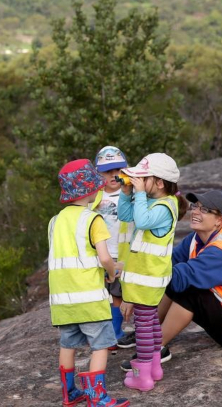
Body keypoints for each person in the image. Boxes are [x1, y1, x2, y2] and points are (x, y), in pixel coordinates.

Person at [120, 190, 222, 372]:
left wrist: (135, 273)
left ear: (219, 220)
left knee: (189, 290)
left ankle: (154, 349)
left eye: (205, 209)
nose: (196, 212)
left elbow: (178, 278)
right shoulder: (196, 239)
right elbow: (167, 263)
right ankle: (146, 334)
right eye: (195, 207)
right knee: (170, 278)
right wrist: (136, 270)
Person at [50, 159, 129, 407]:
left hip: (62, 300)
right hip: (89, 298)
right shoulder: (93, 220)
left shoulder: (55, 221)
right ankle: (97, 397)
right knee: (101, 345)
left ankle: (69, 393)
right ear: (93, 190)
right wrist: (112, 273)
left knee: (68, 344)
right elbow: (105, 257)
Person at [116, 153, 187, 392]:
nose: (137, 182)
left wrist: (137, 195)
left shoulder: (166, 207)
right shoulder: (153, 202)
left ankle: (142, 375)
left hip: (149, 278)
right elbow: (127, 217)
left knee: (144, 327)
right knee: (151, 325)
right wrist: (127, 195)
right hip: (144, 278)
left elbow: (143, 221)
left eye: (142, 178)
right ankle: (155, 367)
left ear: (159, 183)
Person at [92, 146, 129, 352]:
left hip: (120, 254)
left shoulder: (129, 194)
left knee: (118, 295)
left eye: (118, 170)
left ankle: (114, 333)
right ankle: (102, 334)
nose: (114, 175)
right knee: (99, 295)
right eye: (107, 171)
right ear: (99, 174)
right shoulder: (94, 197)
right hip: (99, 254)